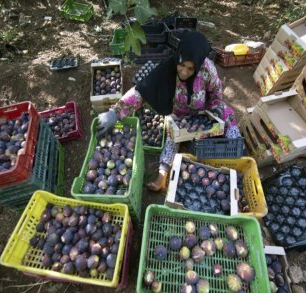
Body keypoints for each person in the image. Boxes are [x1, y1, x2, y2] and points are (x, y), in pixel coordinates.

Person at [97, 31, 240, 192]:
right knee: (172, 136)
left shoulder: (208, 70)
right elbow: (143, 90)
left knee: (228, 113)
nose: (184, 72)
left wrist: (214, 112)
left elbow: (216, 95)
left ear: (198, 65)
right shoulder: (167, 68)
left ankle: (237, 156)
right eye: (182, 65)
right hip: (181, 115)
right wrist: (115, 112)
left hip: (204, 113)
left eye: (190, 68)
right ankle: (162, 176)